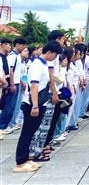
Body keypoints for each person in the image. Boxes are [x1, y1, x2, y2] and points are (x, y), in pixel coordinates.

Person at [14, 41, 62, 173]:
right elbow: (34, 86)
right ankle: (20, 161)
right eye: (55, 55)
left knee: (31, 132)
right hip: (32, 103)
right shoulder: (36, 65)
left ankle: (25, 158)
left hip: (40, 102)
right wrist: (35, 106)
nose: (56, 58)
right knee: (27, 132)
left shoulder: (43, 64)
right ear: (50, 52)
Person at [0, 37, 28, 135]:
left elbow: (17, 72)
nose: (24, 47)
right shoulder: (13, 56)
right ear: (18, 45)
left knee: (12, 106)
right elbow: (11, 70)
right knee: (8, 106)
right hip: (12, 83)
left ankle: (7, 125)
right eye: (23, 45)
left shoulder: (17, 56)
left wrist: (20, 82)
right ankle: (2, 126)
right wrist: (12, 84)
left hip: (16, 82)